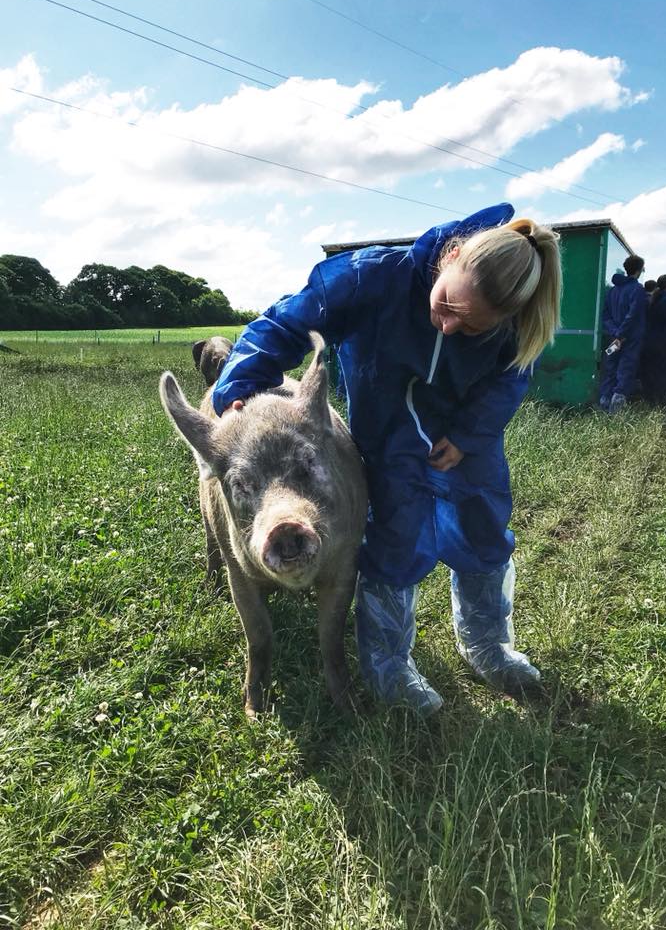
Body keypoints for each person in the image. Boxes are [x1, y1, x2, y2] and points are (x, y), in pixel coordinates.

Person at [212, 203, 562, 714]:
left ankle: (489, 646)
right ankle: (389, 667)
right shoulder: (372, 278)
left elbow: (510, 378)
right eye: (447, 304)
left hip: (463, 447)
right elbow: (288, 320)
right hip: (390, 439)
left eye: (470, 327)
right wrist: (239, 383)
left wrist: (469, 434)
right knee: (396, 538)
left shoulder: (515, 320)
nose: (447, 326)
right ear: (451, 256)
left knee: (483, 531)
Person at [599, 255, 646, 412]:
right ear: (639, 270)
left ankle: (604, 403)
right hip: (630, 339)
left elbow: (605, 315)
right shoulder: (638, 289)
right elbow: (633, 315)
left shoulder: (612, 290)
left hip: (613, 339)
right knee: (626, 370)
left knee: (610, 368)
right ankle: (616, 412)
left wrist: (615, 333)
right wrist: (621, 334)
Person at [640, 278, 666, 403]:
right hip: (664, 343)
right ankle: (660, 400)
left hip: (648, 341)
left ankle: (648, 399)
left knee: (649, 372)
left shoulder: (650, 300)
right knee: (662, 372)